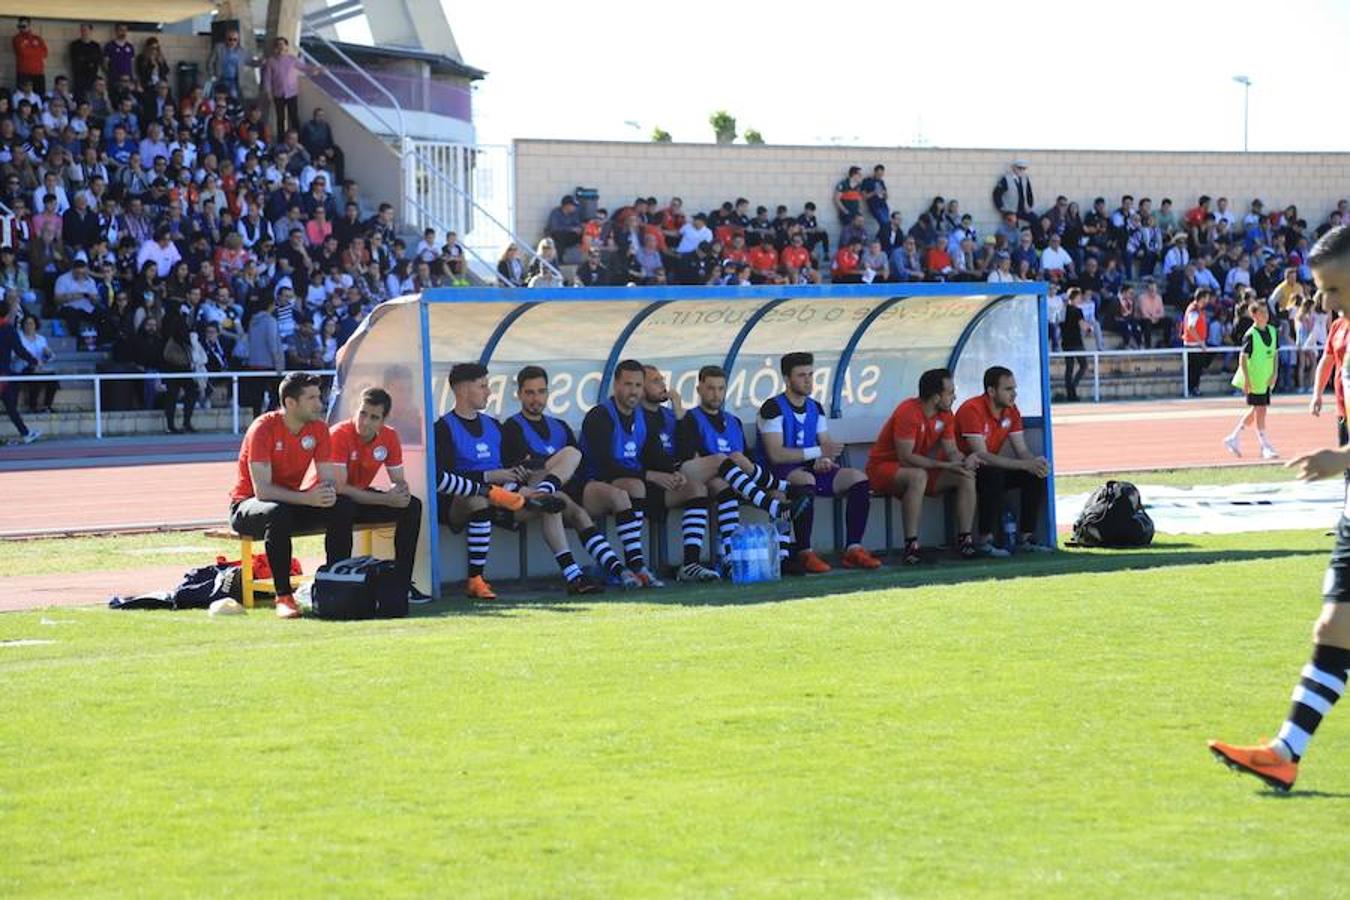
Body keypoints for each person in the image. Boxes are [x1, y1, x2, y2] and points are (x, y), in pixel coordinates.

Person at [1208, 225, 1350, 792]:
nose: (1325, 303)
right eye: (1322, 290)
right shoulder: (1342, 333)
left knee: (1337, 626)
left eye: (1336, 289)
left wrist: (1340, 460)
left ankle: (1285, 750)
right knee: (1334, 627)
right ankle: (1285, 752)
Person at [433, 362, 598, 599]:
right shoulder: (443, 428)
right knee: (477, 499)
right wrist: (489, 478)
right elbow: (442, 478)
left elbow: (509, 467)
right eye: (483, 386)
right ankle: (476, 580)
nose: (489, 392)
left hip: (504, 497)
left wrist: (520, 474)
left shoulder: (493, 425)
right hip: (462, 503)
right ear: (462, 391)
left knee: (549, 500)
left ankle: (574, 576)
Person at [228, 372, 356, 619]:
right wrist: (309, 498)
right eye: (312, 398)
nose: (320, 404)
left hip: (289, 503)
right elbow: (262, 491)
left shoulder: (319, 429)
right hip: (247, 506)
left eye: (319, 396)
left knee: (342, 506)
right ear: (290, 403)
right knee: (277, 512)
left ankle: (334, 585)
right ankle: (284, 596)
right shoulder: (263, 428)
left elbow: (327, 477)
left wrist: (325, 492)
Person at [500, 365, 639, 588]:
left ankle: (634, 568)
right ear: (519, 395)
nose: (537, 398)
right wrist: (551, 463)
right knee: (569, 505)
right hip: (531, 491)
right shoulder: (511, 427)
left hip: (566, 486)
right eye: (530, 393)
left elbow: (577, 463)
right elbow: (520, 469)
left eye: (541, 391)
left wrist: (545, 462)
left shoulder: (560, 426)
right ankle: (616, 570)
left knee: (618, 495)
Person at [758, 352, 882, 574]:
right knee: (806, 480)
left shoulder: (816, 407)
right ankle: (805, 551)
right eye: (801, 375)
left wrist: (824, 460)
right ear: (787, 379)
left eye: (811, 374)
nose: (808, 380)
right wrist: (817, 453)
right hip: (779, 473)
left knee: (859, 479)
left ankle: (853, 548)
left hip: (809, 468)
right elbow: (775, 454)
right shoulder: (772, 408)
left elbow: (826, 445)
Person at [577, 360, 688, 587]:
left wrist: (674, 472)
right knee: (633, 487)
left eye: (638, 385)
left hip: (630, 484)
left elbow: (654, 454)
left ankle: (642, 567)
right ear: (616, 385)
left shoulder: (643, 418)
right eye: (628, 385)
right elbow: (604, 465)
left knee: (685, 487)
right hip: (590, 485)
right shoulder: (599, 416)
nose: (633, 391)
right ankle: (637, 565)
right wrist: (650, 476)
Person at [675, 365, 794, 567]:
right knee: (723, 481)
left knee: (779, 496)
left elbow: (748, 459)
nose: (716, 394)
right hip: (711, 481)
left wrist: (743, 463)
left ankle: (783, 559)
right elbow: (693, 459)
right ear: (699, 390)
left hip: (741, 481)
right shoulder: (690, 418)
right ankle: (730, 558)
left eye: (721, 388)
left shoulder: (734, 421)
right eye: (711, 388)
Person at [866, 368, 986, 564]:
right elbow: (906, 458)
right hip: (882, 470)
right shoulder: (908, 411)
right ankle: (911, 547)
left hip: (917, 470)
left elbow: (952, 451)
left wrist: (964, 461)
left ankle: (966, 541)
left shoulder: (946, 415)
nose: (955, 397)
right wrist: (945, 465)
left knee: (965, 475)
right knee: (918, 476)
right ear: (936, 397)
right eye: (950, 393)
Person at [326, 387, 427, 601]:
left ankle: (401, 583)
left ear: (383, 420)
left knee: (412, 506)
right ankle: (337, 583)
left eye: (374, 417)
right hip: (325, 500)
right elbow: (340, 488)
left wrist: (401, 493)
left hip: (359, 497)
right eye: (363, 413)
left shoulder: (389, 436)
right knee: (342, 506)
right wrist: (386, 498)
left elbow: (398, 481)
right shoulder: (339, 434)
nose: (366, 422)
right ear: (355, 409)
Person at [955, 366, 1052, 553]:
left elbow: (1022, 450)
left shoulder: (1011, 410)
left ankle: (1026, 538)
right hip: (966, 469)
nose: (1014, 394)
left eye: (1014, 388)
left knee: (1033, 475)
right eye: (1008, 389)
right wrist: (1025, 464)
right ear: (991, 391)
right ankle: (985, 541)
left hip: (990, 467)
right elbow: (982, 456)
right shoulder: (972, 409)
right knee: (993, 474)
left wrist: (1034, 463)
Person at [1223, 299, 1280, 460]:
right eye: (1261, 312)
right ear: (1253, 315)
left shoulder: (1273, 331)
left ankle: (1234, 438)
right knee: (1260, 410)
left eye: (1266, 312)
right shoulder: (1250, 335)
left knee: (1257, 409)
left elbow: (1275, 354)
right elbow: (1243, 358)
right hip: (1255, 378)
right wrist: (1247, 380)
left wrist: (1274, 373)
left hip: (1266, 378)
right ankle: (1265, 446)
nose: (1265, 315)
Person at [0, 298, 39, 442]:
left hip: (4, 372)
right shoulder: (7, 329)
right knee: (10, 404)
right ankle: (25, 433)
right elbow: (19, 350)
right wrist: (34, 361)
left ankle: (25, 433)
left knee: (10, 404)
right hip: (2, 372)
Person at [1183, 288, 1215, 395]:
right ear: (1203, 298)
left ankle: (1194, 388)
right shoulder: (1194, 310)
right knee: (1194, 369)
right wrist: (1201, 342)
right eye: (1207, 297)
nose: (1208, 300)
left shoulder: (1197, 309)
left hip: (1196, 344)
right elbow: (1191, 328)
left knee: (1197, 368)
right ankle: (1192, 389)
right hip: (1193, 345)